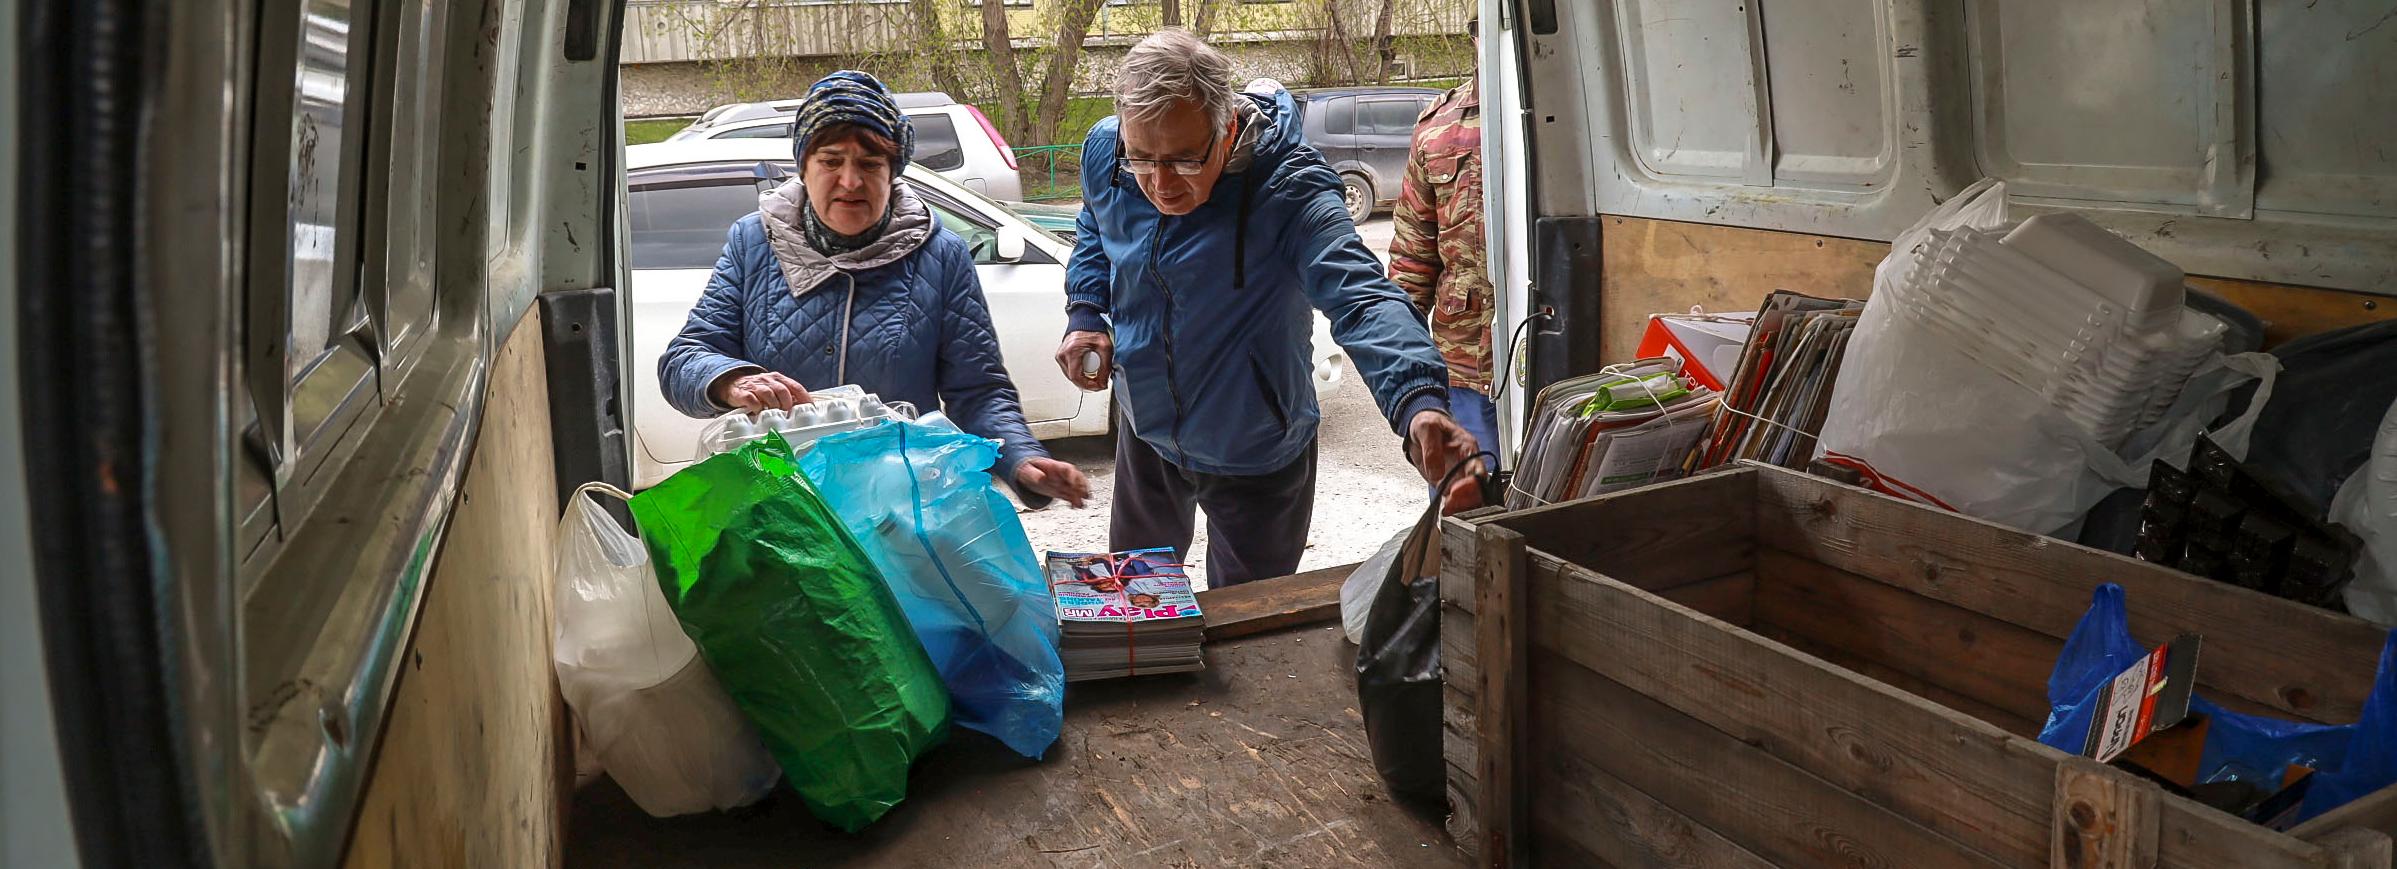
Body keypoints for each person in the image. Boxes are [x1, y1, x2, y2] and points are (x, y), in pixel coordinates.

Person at [1052, 29, 1484, 587]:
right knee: (1137, 597)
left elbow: (1363, 297)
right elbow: (1095, 225)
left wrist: (1418, 401)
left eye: (1184, 160)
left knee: (1246, 625)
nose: (1159, 184)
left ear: (1227, 127)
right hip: (1146, 429)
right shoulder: (1107, 153)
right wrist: (1087, 311)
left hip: (1257, 447)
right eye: (1143, 160)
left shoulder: (1290, 191)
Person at [660, 70, 1090, 507]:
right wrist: (732, 381)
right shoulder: (754, 242)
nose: (850, 181)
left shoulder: (940, 255)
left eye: (869, 164)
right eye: (830, 161)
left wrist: (1020, 459)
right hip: (782, 507)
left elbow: (978, 390)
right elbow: (684, 359)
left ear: (894, 172)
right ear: (804, 168)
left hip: (899, 509)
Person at [1389, 20, 1498, 468]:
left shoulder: (1577, 112)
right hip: (1464, 365)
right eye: (1479, 26)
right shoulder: (1439, 127)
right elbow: (1412, 255)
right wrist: (1407, 376)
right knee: (1466, 501)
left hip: (1562, 357)